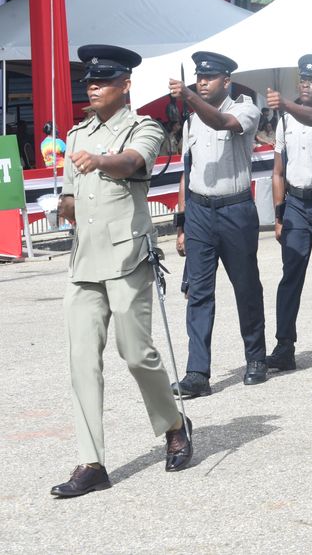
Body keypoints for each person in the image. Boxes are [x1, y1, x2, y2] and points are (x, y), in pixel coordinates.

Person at [52, 45, 193, 498]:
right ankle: (91, 462)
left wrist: (100, 162)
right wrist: (65, 206)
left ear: (125, 84)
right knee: (81, 362)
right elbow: (72, 198)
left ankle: (173, 422)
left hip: (127, 257)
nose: (92, 87)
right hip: (84, 262)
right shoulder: (76, 135)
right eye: (89, 81)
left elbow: (133, 163)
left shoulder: (144, 127)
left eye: (103, 80)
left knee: (136, 354)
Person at [169, 51, 268, 397]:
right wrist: (181, 223)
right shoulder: (190, 120)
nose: (202, 81)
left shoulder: (244, 108)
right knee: (198, 293)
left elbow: (222, 123)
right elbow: (187, 170)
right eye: (199, 76)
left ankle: (256, 357)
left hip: (234, 209)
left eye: (209, 77)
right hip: (199, 211)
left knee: (246, 286)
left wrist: (190, 97)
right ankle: (197, 372)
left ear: (226, 81)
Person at [262, 54, 312, 374]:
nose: (305, 85)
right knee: (290, 276)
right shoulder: (286, 118)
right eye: (302, 80)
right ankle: (284, 345)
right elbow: (278, 170)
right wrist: (278, 215)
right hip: (296, 205)